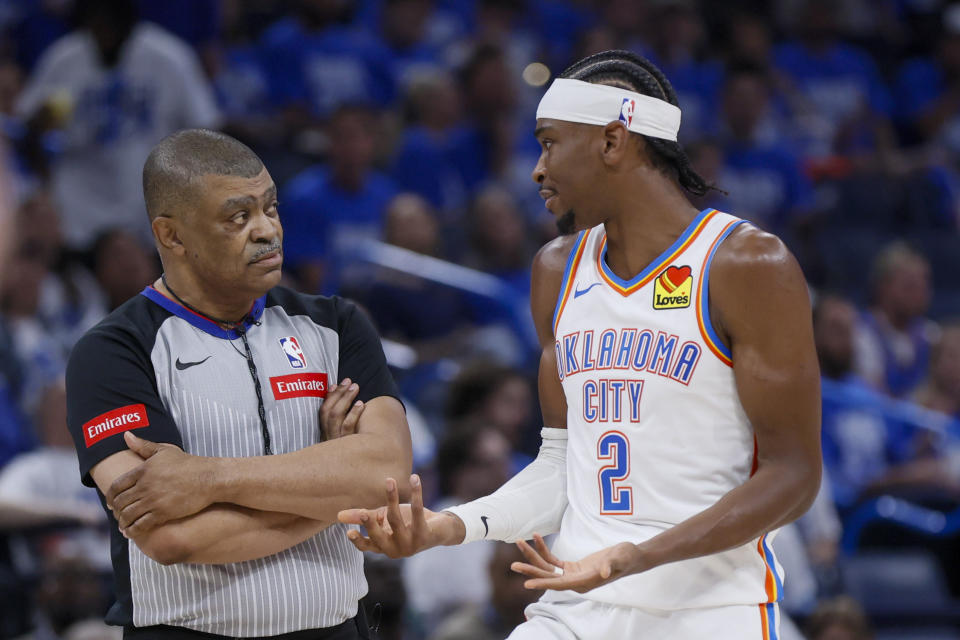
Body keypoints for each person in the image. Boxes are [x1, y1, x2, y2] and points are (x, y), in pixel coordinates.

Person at [338, 49, 822, 639]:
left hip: (711, 611)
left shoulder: (745, 262)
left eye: (549, 143)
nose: (537, 170)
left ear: (613, 143)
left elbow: (794, 475)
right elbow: (562, 467)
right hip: (576, 603)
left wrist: (635, 556)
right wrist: (446, 526)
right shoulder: (556, 271)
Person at [65, 129, 413, 639]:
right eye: (238, 217)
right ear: (172, 236)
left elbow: (388, 477)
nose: (267, 231)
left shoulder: (337, 325)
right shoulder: (112, 352)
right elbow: (174, 538)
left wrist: (208, 478)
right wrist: (334, 486)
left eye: (270, 208)